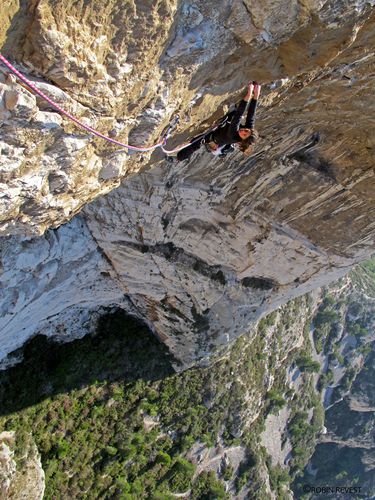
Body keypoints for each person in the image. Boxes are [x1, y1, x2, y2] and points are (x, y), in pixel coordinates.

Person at [169, 82, 261, 162]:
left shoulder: (233, 135)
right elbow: (251, 115)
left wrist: (249, 95)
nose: (243, 131)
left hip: (215, 137)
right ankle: (224, 149)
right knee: (233, 113)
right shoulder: (248, 130)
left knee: (196, 142)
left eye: (244, 134)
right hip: (223, 130)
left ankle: (178, 159)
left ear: (242, 139)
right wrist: (256, 96)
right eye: (246, 130)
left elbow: (238, 116)